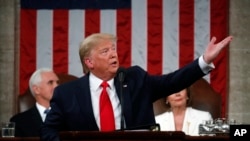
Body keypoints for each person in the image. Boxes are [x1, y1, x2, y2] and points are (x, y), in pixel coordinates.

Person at [40, 33, 232, 141]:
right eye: (105, 51)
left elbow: (172, 82)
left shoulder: (134, 79)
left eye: (114, 49)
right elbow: (48, 132)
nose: (113, 54)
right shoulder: (67, 94)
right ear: (89, 62)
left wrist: (204, 61)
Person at [10, 68, 59, 137]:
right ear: (36, 89)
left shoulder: (68, 116)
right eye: (50, 82)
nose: (56, 86)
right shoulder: (19, 122)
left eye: (57, 82)